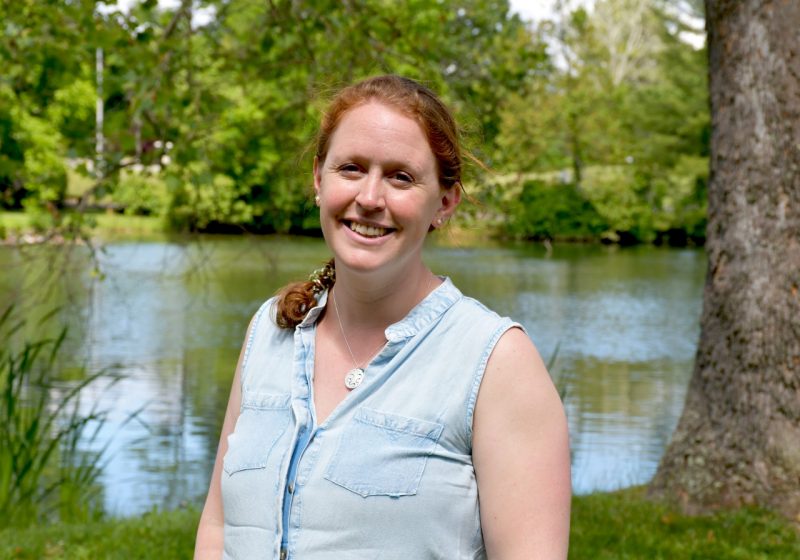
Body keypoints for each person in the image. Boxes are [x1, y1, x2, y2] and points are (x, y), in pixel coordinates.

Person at [194, 75, 571, 559]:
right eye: (351, 168)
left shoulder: (496, 362)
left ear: (445, 202)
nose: (370, 197)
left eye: (401, 177)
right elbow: (218, 524)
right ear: (318, 178)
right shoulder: (269, 330)